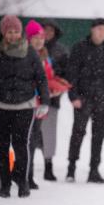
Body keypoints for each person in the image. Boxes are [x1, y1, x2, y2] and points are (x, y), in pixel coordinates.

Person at [0, 15, 50, 198]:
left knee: (21, 146)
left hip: (24, 107)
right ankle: (4, 185)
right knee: (1, 146)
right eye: (9, 32)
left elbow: (41, 79)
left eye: (16, 31)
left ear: (21, 33)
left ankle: (22, 182)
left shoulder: (30, 53)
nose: (13, 35)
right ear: (4, 33)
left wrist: (45, 101)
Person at [66, 18, 104, 184]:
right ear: (92, 30)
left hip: (103, 101)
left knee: (99, 136)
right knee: (78, 133)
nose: (101, 32)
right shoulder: (80, 48)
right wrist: (73, 96)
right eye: (98, 29)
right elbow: (71, 73)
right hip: (83, 99)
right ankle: (71, 168)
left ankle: (94, 170)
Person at [26, 20, 71, 189]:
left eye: (43, 36)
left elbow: (50, 76)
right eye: (37, 36)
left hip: (48, 102)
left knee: (46, 137)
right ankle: (24, 172)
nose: (40, 39)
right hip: (29, 103)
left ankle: (44, 168)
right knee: (28, 139)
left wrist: (58, 85)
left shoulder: (53, 53)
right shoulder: (27, 54)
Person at [40, 19, 70, 181]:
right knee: (29, 134)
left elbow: (66, 73)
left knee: (49, 134)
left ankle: (48, 166)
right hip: (30, 99)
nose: (48, 33)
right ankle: (25, 166)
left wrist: (57, 85)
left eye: (51, 30)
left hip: (52, 99)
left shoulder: (61, 51)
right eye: (45, 30)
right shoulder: (31, 48)